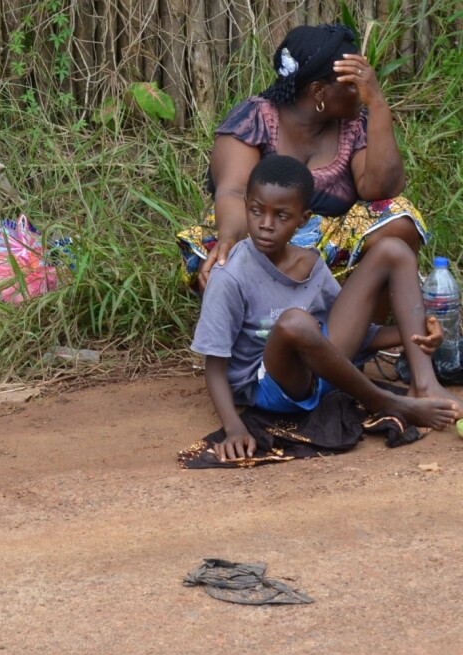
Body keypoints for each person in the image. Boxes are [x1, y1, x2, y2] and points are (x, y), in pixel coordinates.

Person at [190, 155, 460, 463]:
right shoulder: (230, 275)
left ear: (302, 219)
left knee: (394, 250)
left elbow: (351, 335)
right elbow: (214, 365)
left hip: (325, 369)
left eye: (281, 215)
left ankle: (425, 384)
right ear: (246, 206)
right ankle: (385, 401)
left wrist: (413, 333)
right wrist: (234, 427)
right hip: (272, 387)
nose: (265, 225)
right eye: (256, 211)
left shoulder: (311, 263)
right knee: (295, 323)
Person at [179, 23, 427, 297]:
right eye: (356, 85)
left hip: (327, 255)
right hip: (259, 243)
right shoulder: (254, 119)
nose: (364, 91)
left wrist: (379, 105)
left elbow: (381, 189)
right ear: (319, 91)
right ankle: (264, 319)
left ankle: (362, 326)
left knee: (398, 219)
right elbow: (234, 192)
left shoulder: (353, 125)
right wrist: (229, 242)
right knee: (219, 257)